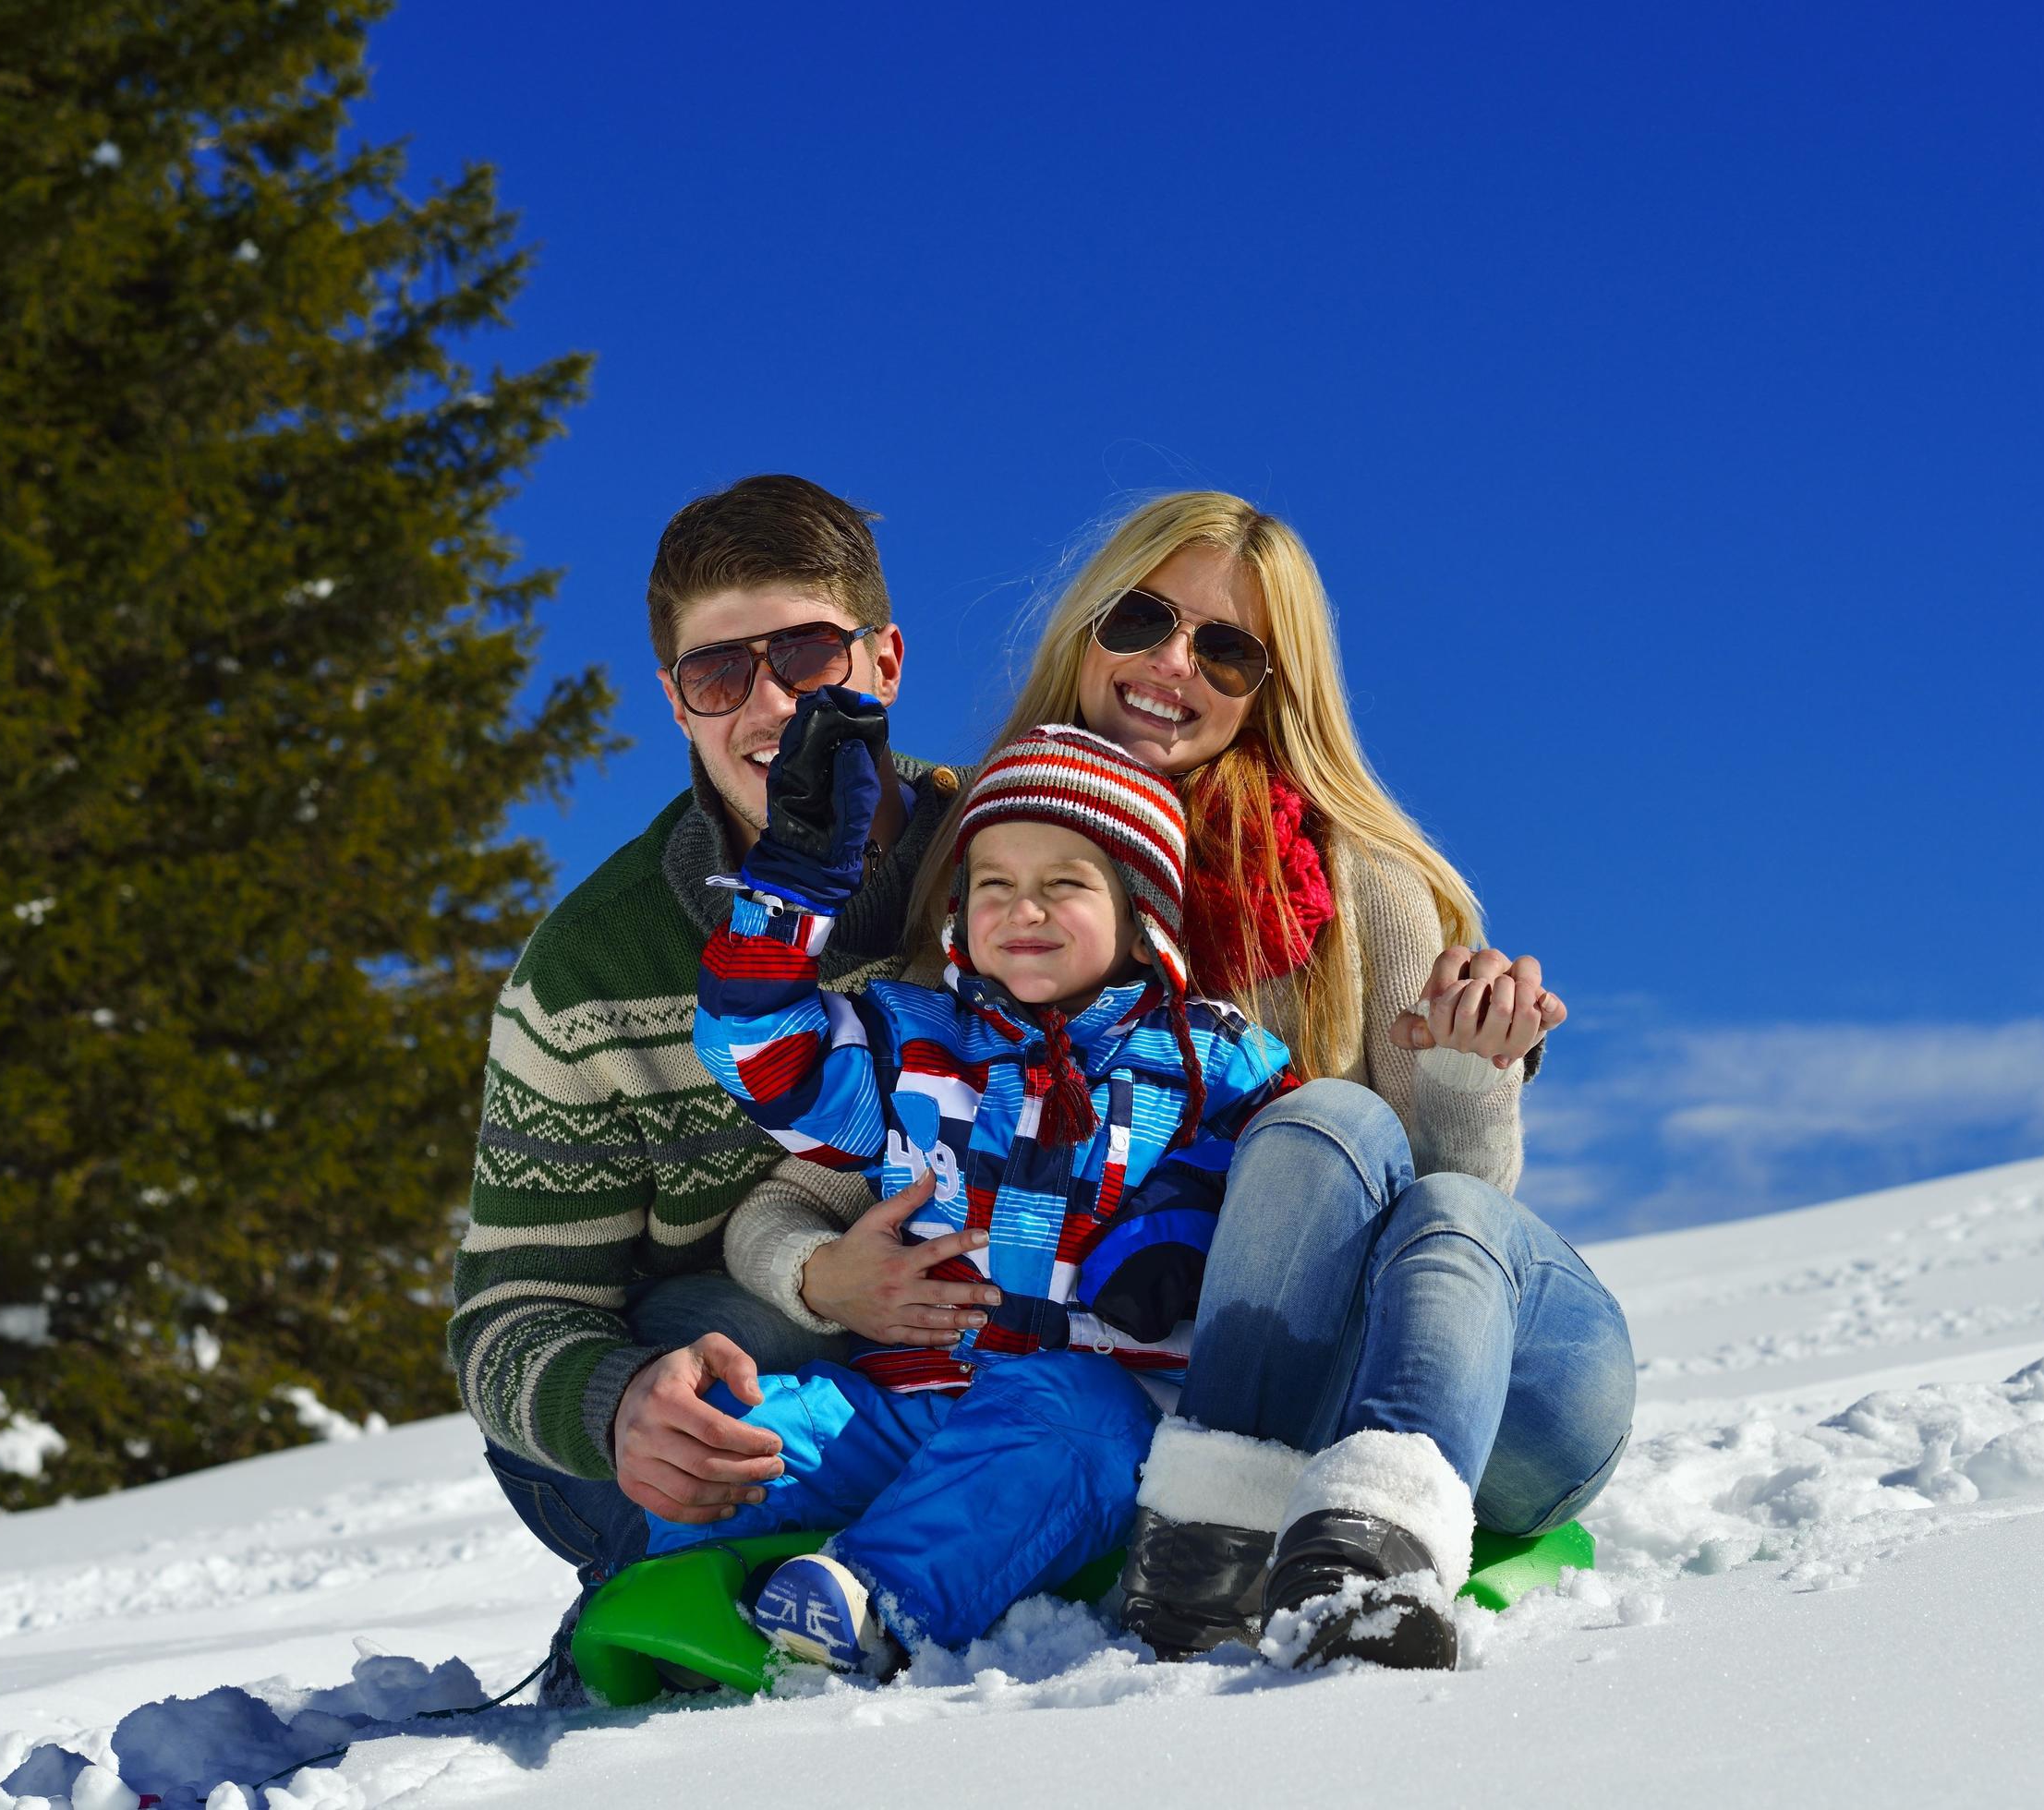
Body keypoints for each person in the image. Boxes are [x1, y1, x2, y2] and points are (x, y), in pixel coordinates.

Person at [976, 491, 1636, 1671]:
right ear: (1086, 627)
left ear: (1271, 690)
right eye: (1142, 618)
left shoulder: (1353, 884)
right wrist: (822, 1272)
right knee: (1312, 1124)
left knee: (1333, 1127)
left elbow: (1453, 1214)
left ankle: (1375, 1539)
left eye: (1227, 649)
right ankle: (1218, 1547)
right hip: (1168, 1410)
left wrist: (1469, 1078)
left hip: (1478, 1389)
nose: (1172, 664)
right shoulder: (996, 878)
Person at [443, 477, 973, 1691]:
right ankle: (689, 1601)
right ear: (678, 703)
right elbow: (511, 1315)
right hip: (721, 1394)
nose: (770, 705)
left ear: (883, 662)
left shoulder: (1019, 868)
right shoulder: (591, 971)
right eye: (719, 673)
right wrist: (622, 1404)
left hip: (1005, 1353)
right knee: (726, 1333)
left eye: (804, 653)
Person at [661, 700, 1295, 1671]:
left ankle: (875, 1609)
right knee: (730, 1438)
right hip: (909, 1397)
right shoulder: (915, 1042)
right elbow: (758, 1053)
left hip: (1095, 1410)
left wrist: (1178, 1225)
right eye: (992, 883)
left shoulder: (1208, 1058)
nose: (1021, 907)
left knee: (1078, 1426)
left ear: (1141, 920)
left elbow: (1294, 1173)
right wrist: (789, 893)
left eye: (1063, 883)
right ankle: (647, 1609)